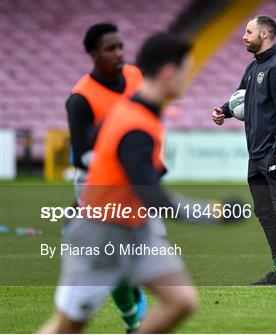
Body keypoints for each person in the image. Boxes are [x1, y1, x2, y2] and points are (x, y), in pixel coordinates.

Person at [38, 32, 198, 333]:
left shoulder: (137, 107)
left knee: (182, 301)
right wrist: (215, 212)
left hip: (137, 229)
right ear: (168, 73)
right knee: (67, 327)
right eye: (186, 71)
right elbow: (154, 197)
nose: (187, 78)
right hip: (101, 236)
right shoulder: (128, 120)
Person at [66, 22, 146, 332]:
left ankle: (137, 308)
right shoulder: (80, 99)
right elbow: (82, 155)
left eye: (120, 46)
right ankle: (132, 319)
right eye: (110, 49)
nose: (118, 53)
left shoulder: (136, 77)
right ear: (93, 54)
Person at [212, 15, 276, 286]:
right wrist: (223, 111)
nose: (244, 36)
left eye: (249, 31)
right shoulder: (253, 69)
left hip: (275, 152)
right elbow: (241, 97)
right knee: (264, 211)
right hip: (256, 153)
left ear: (265, 34)